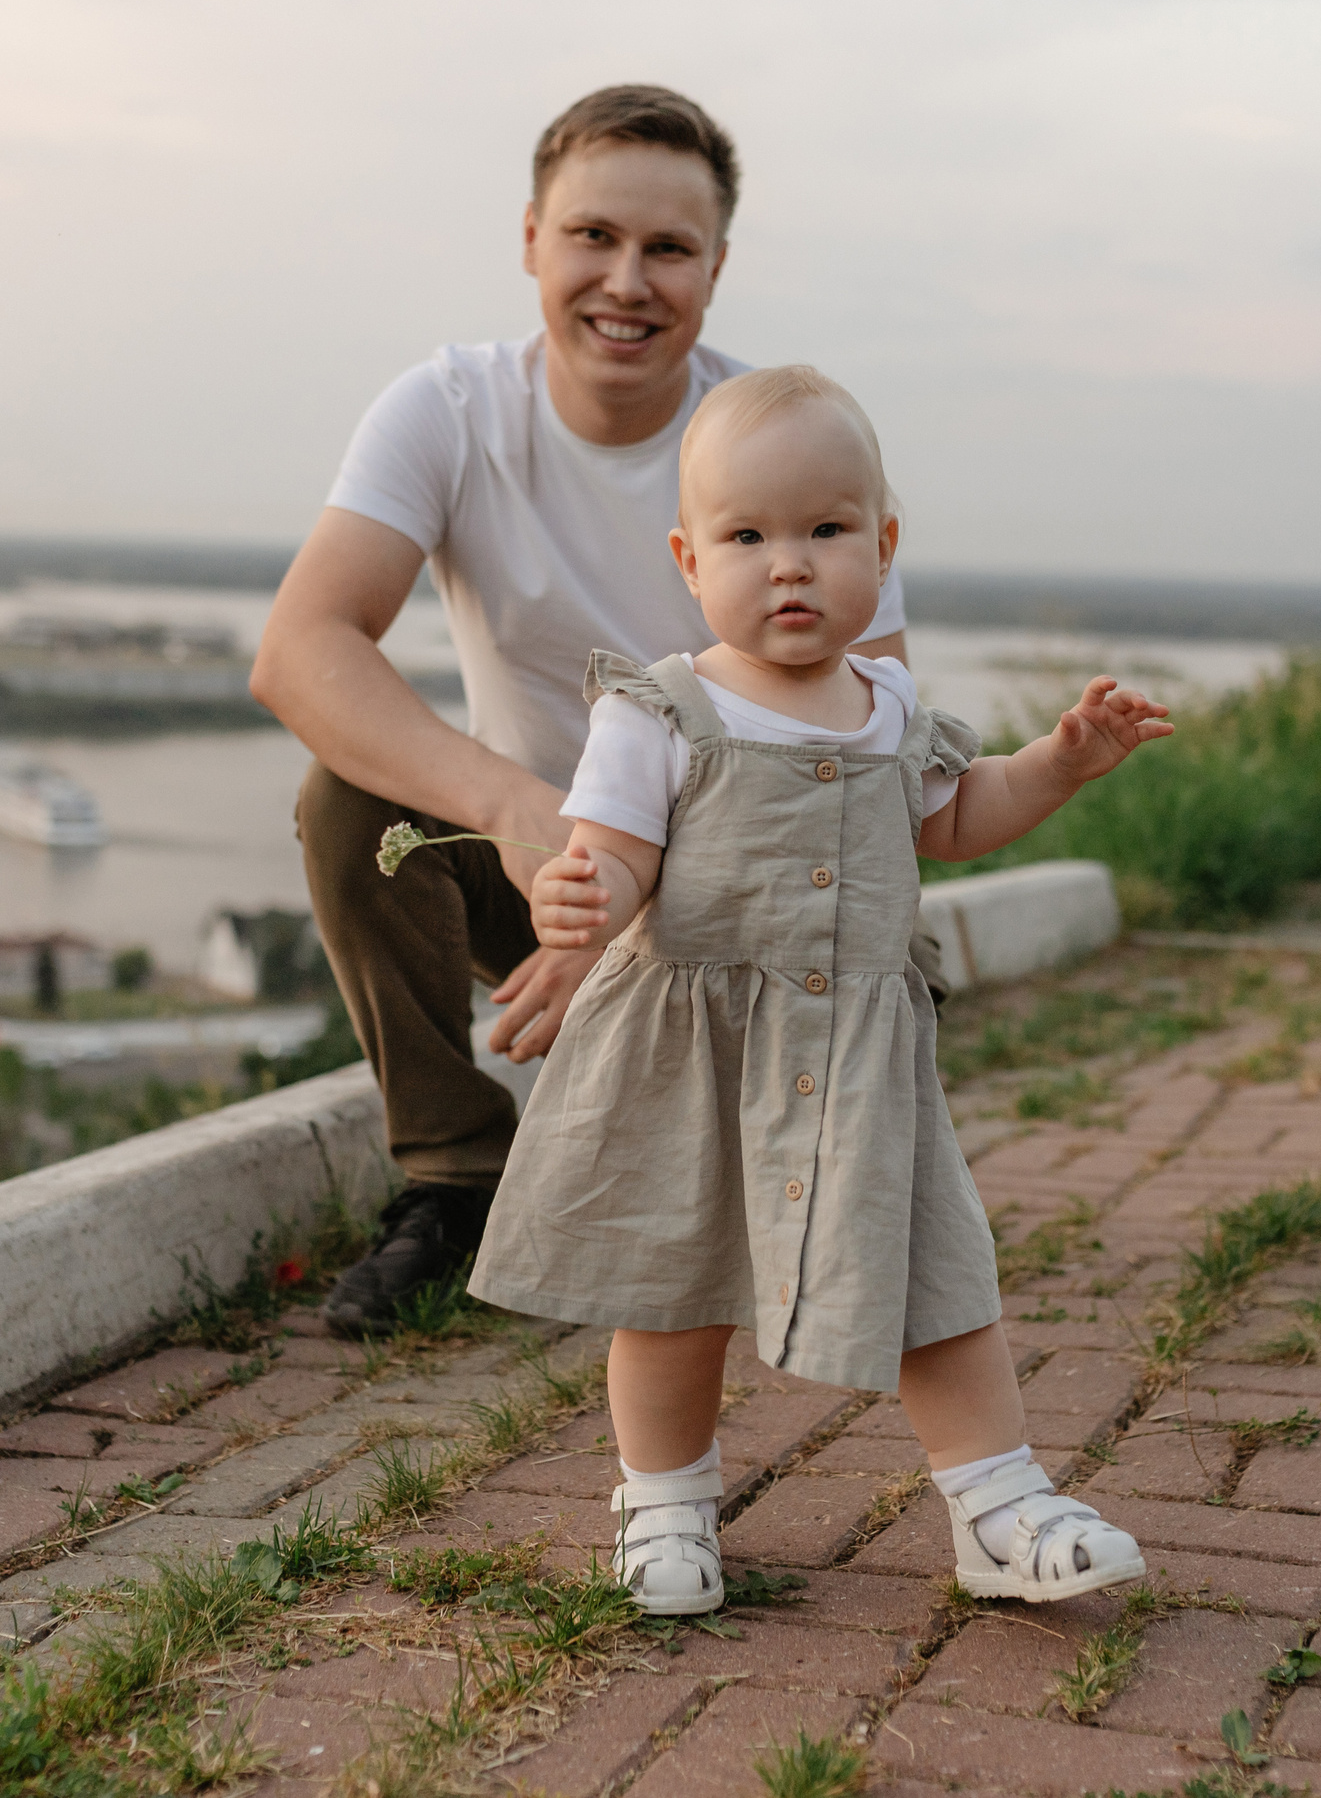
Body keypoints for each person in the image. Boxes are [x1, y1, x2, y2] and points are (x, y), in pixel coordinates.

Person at [468, 365, 1173, 1614]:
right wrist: (580, 897)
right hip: (693, 1049)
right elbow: (617, 854)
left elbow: (954, 816)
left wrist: (1061, 762)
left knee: (934, 1275)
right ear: (690, 560)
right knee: (671, 1286)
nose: (787, 565)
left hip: (856, 1053)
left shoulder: (891, 707)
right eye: (747, 537)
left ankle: (998, 1508)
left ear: (882, 548)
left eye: (825, 531)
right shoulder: (662, 710)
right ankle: (665, 1506)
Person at [251, 85, 932, 1336]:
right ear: (529, 239)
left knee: (805, 1202)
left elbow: (872, 765)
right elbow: (300, 652)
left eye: (668, 248)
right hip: (544, 876)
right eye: (592, 236)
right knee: (349, 799)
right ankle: (453, 1179)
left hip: (757, 914)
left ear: (715, 270)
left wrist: (641, 908)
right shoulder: (449, 410)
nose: (626, 279)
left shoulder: (780, 458)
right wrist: (523, 813)